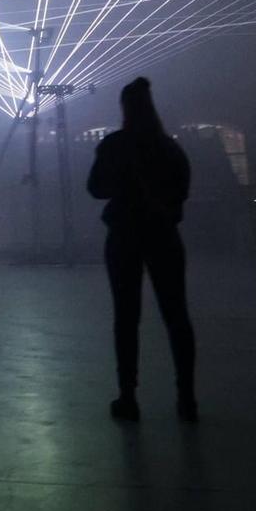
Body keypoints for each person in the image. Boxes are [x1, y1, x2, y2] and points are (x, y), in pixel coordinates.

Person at [86, 77, 199, 423]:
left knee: (126, 317)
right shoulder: (169, 148)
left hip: (124, 235)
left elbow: (95, 188)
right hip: (163, 234)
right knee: (176, 315)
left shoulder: (115, 145)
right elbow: (181, 192)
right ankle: (186, 396)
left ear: (124, 109)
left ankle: (128, 395)